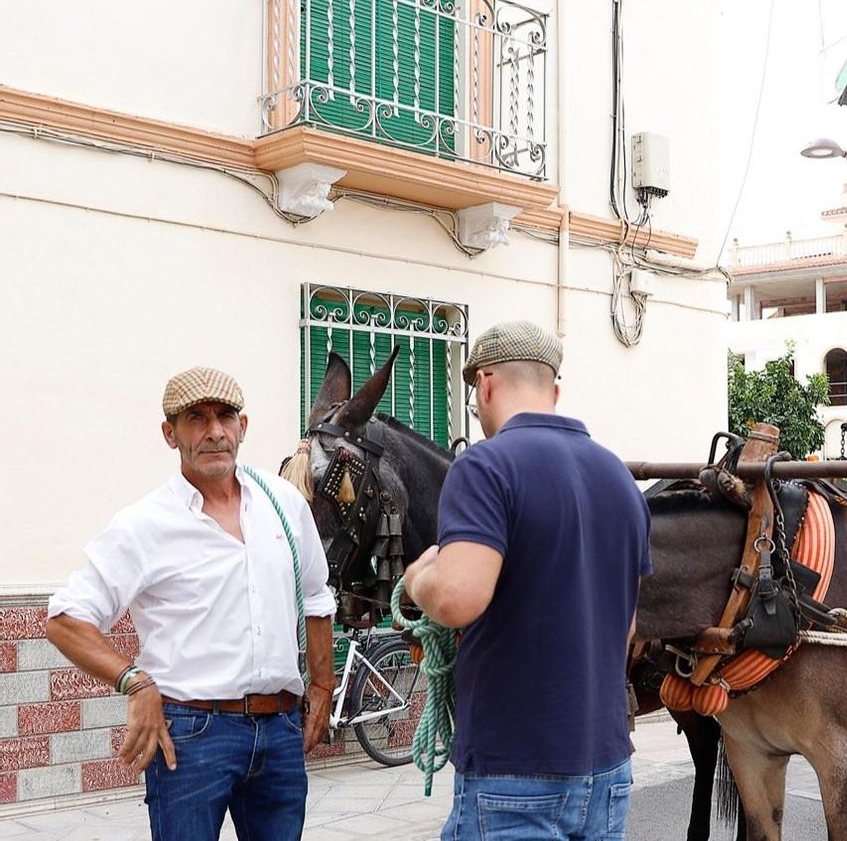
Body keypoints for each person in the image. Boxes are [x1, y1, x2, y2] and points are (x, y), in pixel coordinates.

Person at [45, 368, 336, 839]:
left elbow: (317, 596)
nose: (214, 431)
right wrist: (135, 682)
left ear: (243, 426)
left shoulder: (282, 502)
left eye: (225, 416)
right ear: (170, 433)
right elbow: (65, 619)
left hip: (280, 730)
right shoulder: (145, 524)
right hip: (192, 734)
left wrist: (322, 686)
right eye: (196, 418)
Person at [401, 321, 651, 840]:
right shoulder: (618, 477)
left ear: (485, 384)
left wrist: (418, 578)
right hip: (607, 771)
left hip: (513, 773)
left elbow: (457, 597)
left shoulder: (485, 466)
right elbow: (626, 628)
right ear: (553, 390)